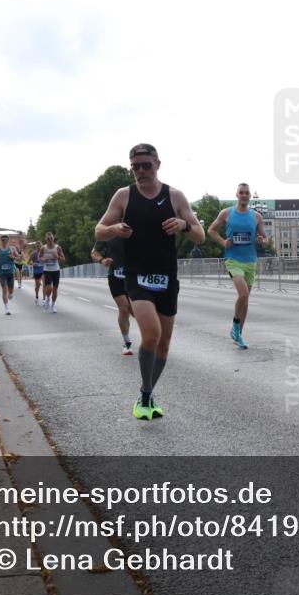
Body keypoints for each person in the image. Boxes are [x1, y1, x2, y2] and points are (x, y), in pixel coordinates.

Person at [95, 143, 204, 420]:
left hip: (167, 277)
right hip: (137, 277)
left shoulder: (174, 196)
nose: (141, 171)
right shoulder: (124, 196)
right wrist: (114, 228)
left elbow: (200, 235)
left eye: (146, 165)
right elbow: (99, 230)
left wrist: (184, 225)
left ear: (158, 165)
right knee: (151, 334)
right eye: (136, 167)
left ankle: (147, 392)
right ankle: (145, 396)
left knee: (164, 345)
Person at [207, 183, 266, 349]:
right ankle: (235, 326)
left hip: (251, 261)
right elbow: (211, 230)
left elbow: (265, 239)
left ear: (250, 196)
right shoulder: (227, 213)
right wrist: (222, 242)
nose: (244, 195)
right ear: (237, 195)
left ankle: (238, 335)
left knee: (245, 299)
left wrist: (262, 240)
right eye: (242, 192)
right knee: (243, 293)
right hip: (233, 260)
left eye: (247, 193)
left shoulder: (256, 216)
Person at [91, 237, 137, 355]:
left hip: (133, 275)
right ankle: (127, 343)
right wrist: (102, 260)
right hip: (115, 276)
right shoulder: (109, 232)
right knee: (124, 308)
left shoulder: (136, 228)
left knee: (135, 311)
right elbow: (94, 252)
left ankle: (150, 339)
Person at [41, 231, 65, 313]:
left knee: (55, 290)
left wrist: (57, 257)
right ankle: (48, 299)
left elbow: (63, 259)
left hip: (56, 271)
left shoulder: (58, 247)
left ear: (53, 238)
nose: (50, 240)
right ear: (46, 239)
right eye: (48, 238)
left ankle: (53, 305)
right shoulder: (43, 248)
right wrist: (43, 259)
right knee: (49, 289)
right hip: (47, 270)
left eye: (51, 238)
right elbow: (40, 257)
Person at [0, 235, 19, 315]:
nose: (4, 241)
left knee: (10, 292)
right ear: (1, 240)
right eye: (2, 240)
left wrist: (13, 257)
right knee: (4, 290)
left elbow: (18, 258)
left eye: (5, 240)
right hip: (1, 273)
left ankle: (11, 293)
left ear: (8, 241)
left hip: (10, 272)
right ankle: (7, 309)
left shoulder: (12, 249)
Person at [31, 241, 45, 305]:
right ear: (36, 247)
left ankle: (44, 299)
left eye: (40, 246)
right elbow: (29, 262)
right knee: (37, 285)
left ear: (41, 246)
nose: (39, 247)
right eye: (37, 246)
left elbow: (47, 260)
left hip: (43, 270)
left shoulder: (44, 253)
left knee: (44, 284)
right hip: (36, 271)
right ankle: (36, 297)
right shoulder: (33, 253)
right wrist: (32, 263)